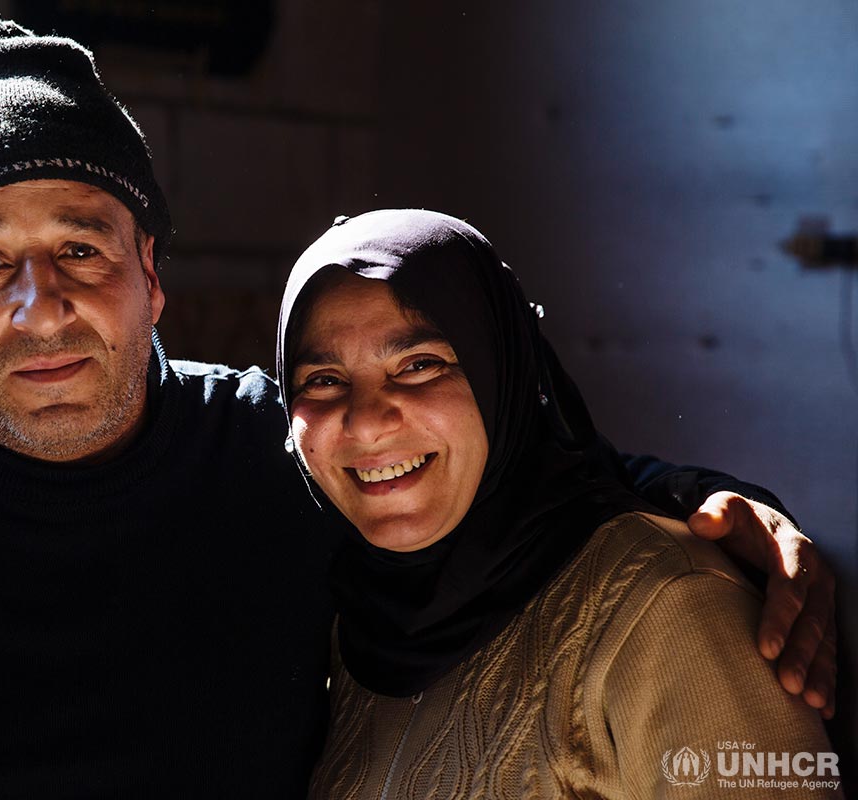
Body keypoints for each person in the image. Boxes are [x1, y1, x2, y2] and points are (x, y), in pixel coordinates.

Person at [0, 19, 836, 799]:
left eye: (82, 244)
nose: (43, 302)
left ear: (152, 276)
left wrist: (701, 502)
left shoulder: (279, 456)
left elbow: (500, 463)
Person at [275, 209, 839, 799]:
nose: (365, 424)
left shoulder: (669, 604)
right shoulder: (348, 618)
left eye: (420, 365)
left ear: (506, 377)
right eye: (322, 379)